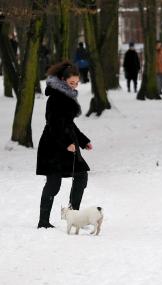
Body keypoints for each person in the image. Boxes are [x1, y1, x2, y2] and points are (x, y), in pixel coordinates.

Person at [36, 61, 93, 228]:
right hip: (53, 146)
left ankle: (74, 215)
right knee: (54, 184)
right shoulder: (55, 98)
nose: (74, 86)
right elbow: (54, 124)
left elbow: (69, 124)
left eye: (76, 83)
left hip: (69, 144)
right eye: (71, 83)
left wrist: (83, 141)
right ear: (62, 80)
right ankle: (43, 221)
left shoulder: (67, 95)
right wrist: (66, 143)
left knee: (81, 175)